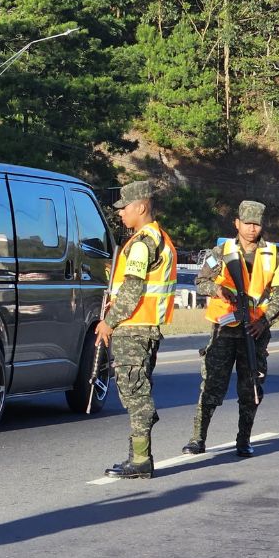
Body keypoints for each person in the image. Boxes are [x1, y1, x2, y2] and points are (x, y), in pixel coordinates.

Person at [182, 200, 279, 459]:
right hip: (224, 328)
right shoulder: (221, 251)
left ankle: (244, 439)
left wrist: (263, 321)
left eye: (257, 224)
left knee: (251, 388)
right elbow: (200, 282)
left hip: (255, 332)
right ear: (237, 224)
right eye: (247, 223)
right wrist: (217, 289)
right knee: (211, 386)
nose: (252, 229)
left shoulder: (274, 254)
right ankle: (198, 438)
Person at [97, 180, 177, 479]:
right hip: (143, 327)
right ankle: (138, 455)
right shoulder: (157, 239)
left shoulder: (143, 243)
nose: (120, 214)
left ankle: (141, 459)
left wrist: (109, 321)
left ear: (141, 207)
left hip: (133, 329)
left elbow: (132, 289)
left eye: (125, 208)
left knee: (135, 393)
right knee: (136, 391)